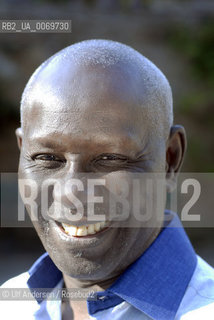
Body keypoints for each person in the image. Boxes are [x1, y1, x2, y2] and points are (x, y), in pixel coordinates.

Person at [1, 39, 214, 319]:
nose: (71, 193)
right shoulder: (12, 305)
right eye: (47, 158)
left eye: (111, 158)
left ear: (170, 158)